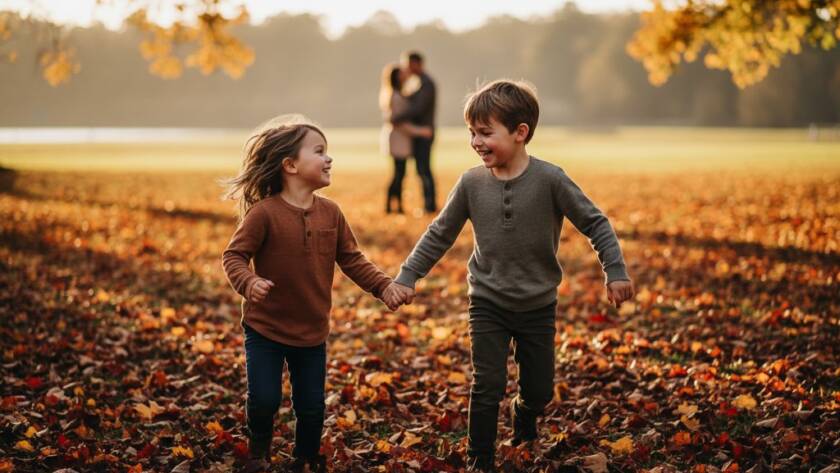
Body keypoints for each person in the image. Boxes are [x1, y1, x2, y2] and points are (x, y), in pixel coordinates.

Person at [389, 80, 635, 471]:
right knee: (486, 385)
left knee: (539, 390)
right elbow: (439, 233)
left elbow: (595, 223)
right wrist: (406, 276)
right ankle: (479, 459)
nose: (475, 141)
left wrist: (615, 270)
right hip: (487, 302)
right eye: (472, 132)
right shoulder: (471, 183)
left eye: (485, 132)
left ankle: (524, 414)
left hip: (538, 304)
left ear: (521, 133)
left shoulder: (550, 179)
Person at [221, 115, 409, 473]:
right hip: (265, 329)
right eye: (320, 151)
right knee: (264, 399)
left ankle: (305, 458)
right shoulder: (265, 214)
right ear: (290, 165)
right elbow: (234, 256)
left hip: (312, 332)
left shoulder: (331, 213)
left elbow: (352, 259)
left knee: (311, 406)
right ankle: (258, 452)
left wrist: (384, 286)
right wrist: (248, 282)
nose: (329, 159)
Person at [379, 63, 433, 214]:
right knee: (398, 173)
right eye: (402, 73)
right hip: (398, 139)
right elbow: (399, 123)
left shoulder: (398, 94)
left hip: (400, 139)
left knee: (400, 173)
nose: (406, 75)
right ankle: (391, 206)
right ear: (396, 77)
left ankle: (396, 206)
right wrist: (421, 131)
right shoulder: (395, 96)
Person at [390, 51, 437, 213]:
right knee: (421, 169)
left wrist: (397, 117)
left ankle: (429, 205)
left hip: (424, 133)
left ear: (417, 64)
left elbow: (417, 109)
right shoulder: (418, 83)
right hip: (418, 133)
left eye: (409, 65)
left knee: (424, 169)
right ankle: (427, 204)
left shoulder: (426, 83)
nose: (407, 69)